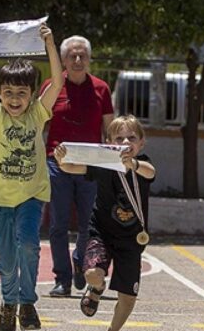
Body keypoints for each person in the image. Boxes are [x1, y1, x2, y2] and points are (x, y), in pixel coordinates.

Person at [0, 23, 63, 331]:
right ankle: (8, 302)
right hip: (0, 201)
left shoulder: (37, 113)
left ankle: (27, 303)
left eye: (21, 93)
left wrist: (50, 44)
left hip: (32, 196)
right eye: (8, 93)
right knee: (7, 262)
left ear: (32, 95)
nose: (14, 99)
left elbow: (58, 81)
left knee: (29, 245)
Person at [54, 115, 155, 331]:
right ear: (108, 142)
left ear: (141, 142)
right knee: (92, 274)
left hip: (131, 239)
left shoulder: (142, 163)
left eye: (131, 138)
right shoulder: (103, 163)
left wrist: (133, 163)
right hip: (101, 232)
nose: (125, 143)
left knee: (128, 297)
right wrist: (61, 160)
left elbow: (151, 172)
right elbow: (72, 168)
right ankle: (97, 288)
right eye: (119, 138)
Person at [42, 35, 115, 297]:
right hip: (57, 164)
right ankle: (62, 279)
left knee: (89, 225)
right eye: (72, 55)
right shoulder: (51, 86)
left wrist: (115, 159)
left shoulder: (101, 88)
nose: (77, 60)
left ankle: (81, 263)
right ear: (62, 60)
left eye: (82, 55)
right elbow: (39, 123)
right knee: (58, 225)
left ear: (89, 59)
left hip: (92, 167)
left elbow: (110, 129)